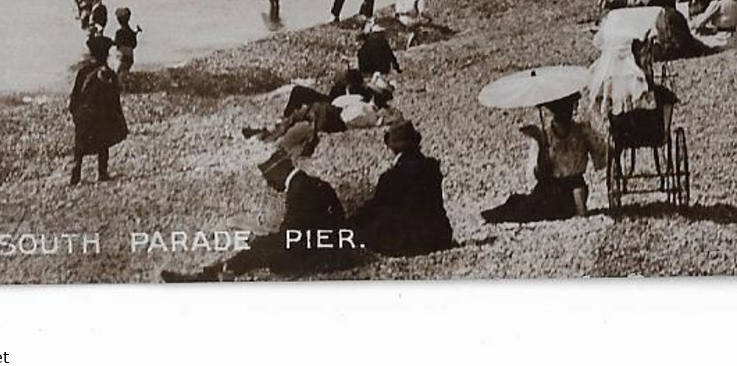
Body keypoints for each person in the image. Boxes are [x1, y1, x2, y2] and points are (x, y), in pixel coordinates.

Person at [162, 157, 361, 281]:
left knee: (261, 246)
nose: (269, 184)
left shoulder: (299, 191)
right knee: (262, 244)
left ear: (279, 171)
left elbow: (290, 235)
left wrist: (262, 237)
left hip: (323, 256)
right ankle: (220, 270)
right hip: (333, 248)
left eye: (268, 177)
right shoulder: (310, 183)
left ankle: (212, 274)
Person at [481, 94, 608, 222]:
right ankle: (498, 213)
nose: (564, 114)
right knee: (523, 203)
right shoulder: (548, 135)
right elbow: (538, 173)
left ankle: (496, 215)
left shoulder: (581, 131)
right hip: (553, 188)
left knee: (528, 208)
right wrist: (541, 144)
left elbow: (602, 155)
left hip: (569, 191)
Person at [348, 120, 455, 257]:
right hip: (439, 236)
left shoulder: (392, 176)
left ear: (392, 147)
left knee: (364, 230)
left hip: (408, 241)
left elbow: (376, 207)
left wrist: (352, 220)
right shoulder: (431, 167)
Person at [69, 35, 127, 184]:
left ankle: (76, 173)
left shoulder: (83, 72)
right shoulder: (108, 74)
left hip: (83, 115)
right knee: (104, 143)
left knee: (80, 145)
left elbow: (75, 95)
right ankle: (102, 172)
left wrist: (75, 112)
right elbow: (113, 99)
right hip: (99, 116)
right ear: (105, 55)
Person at [112, 6, 141, 81]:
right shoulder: (131, 32)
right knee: (124, 73)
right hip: (130, 57)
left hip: (121, 57)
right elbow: (134, 45)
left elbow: (116, 44)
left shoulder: (119, 32)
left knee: (117, 74)